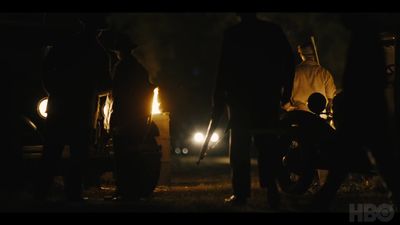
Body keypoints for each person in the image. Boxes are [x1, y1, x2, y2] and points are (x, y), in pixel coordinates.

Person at [201, 13, 295, 207]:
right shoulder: (272, 30)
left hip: (240, 102)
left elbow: (224, 70)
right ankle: (271, 189)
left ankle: (241, 193)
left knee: (239, 148)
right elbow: (289, 60)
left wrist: (217, 101)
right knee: (267, 144)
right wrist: (286, 91)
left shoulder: (233, 34)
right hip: (266, 98)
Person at [35, 14, 111, 201]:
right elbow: (106, 85)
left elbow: (45, 70)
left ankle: (41, 192)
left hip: (59, 108)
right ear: (98, 31)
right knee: (78, 156)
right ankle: (73, 194)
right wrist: (90, 89)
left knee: (51, 153)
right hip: (81, 111)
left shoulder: (64, 45)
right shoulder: (100, 53)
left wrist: (53, 89)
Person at [108, 32, 156, 200]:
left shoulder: (122, 68)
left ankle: (125, 189)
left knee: (123, 156)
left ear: (119, 51)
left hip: (126, 117)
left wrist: (117, 119)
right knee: (132, 154)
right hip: (138, 118)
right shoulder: (139, 69)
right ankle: (133, 189)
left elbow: (119, 95)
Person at [285, 43, 336, 113]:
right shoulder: (324, 73)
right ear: (314, 54)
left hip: (299, 115)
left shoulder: (293, 73)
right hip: (320, 115)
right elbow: (331, 98)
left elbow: (285, 98)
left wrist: (290, 109)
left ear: (301, 55)